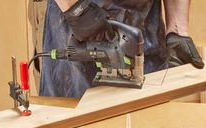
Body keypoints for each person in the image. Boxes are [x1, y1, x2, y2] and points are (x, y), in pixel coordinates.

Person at [39, 0, 204, 98]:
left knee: (147, 118)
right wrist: (77, 12)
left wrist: (177, 31)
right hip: (82, 17)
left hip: (145, 23)